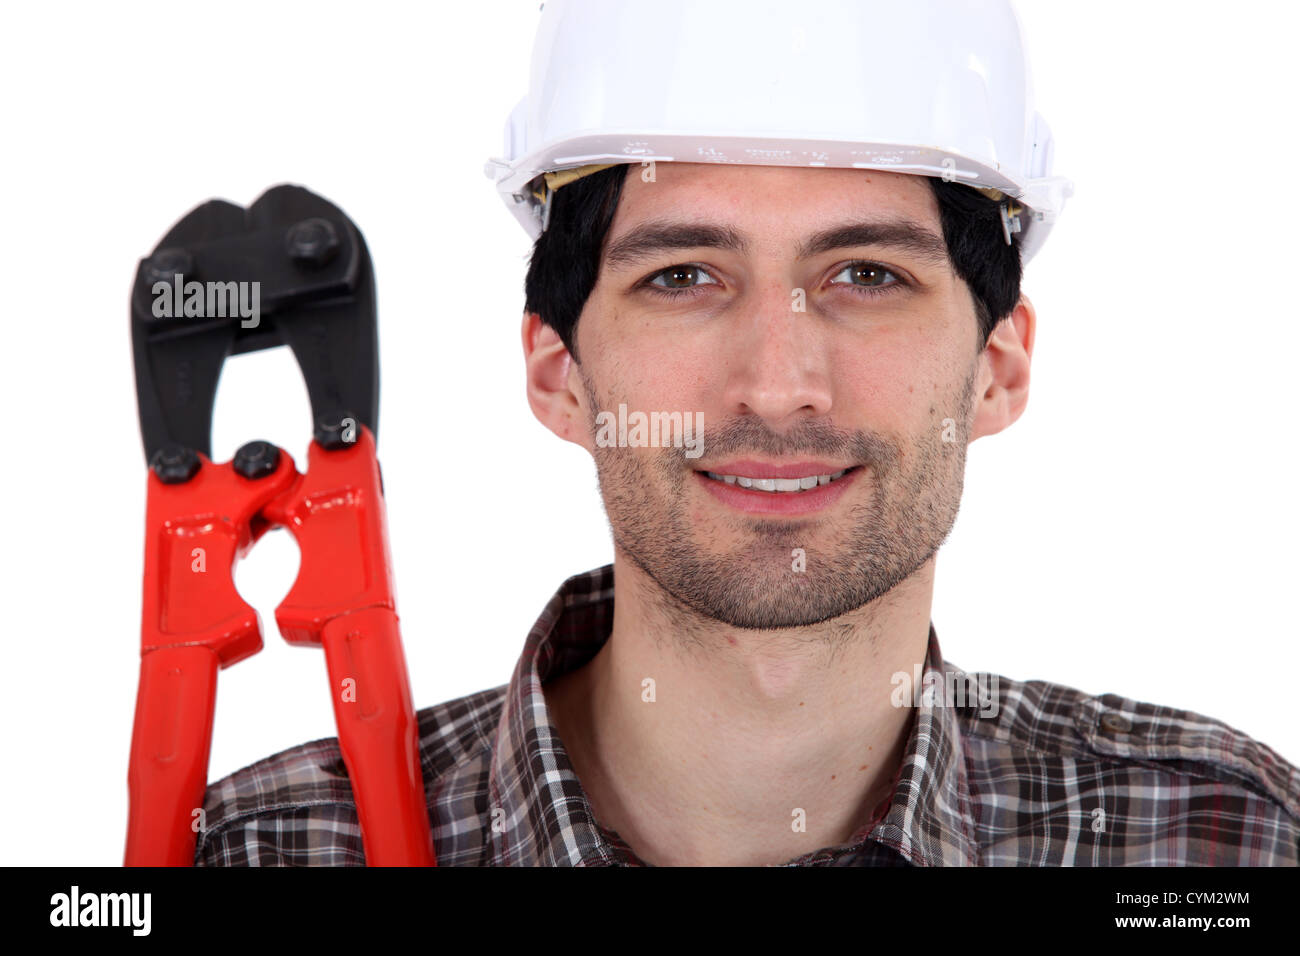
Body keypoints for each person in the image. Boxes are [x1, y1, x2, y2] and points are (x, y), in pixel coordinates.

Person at [195, 0, 1300, 866]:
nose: (778, 387)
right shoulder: (258, 850)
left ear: (998, 368)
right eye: (684, 275)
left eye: (867, 274)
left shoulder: (1216, 836)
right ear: (557, 371)